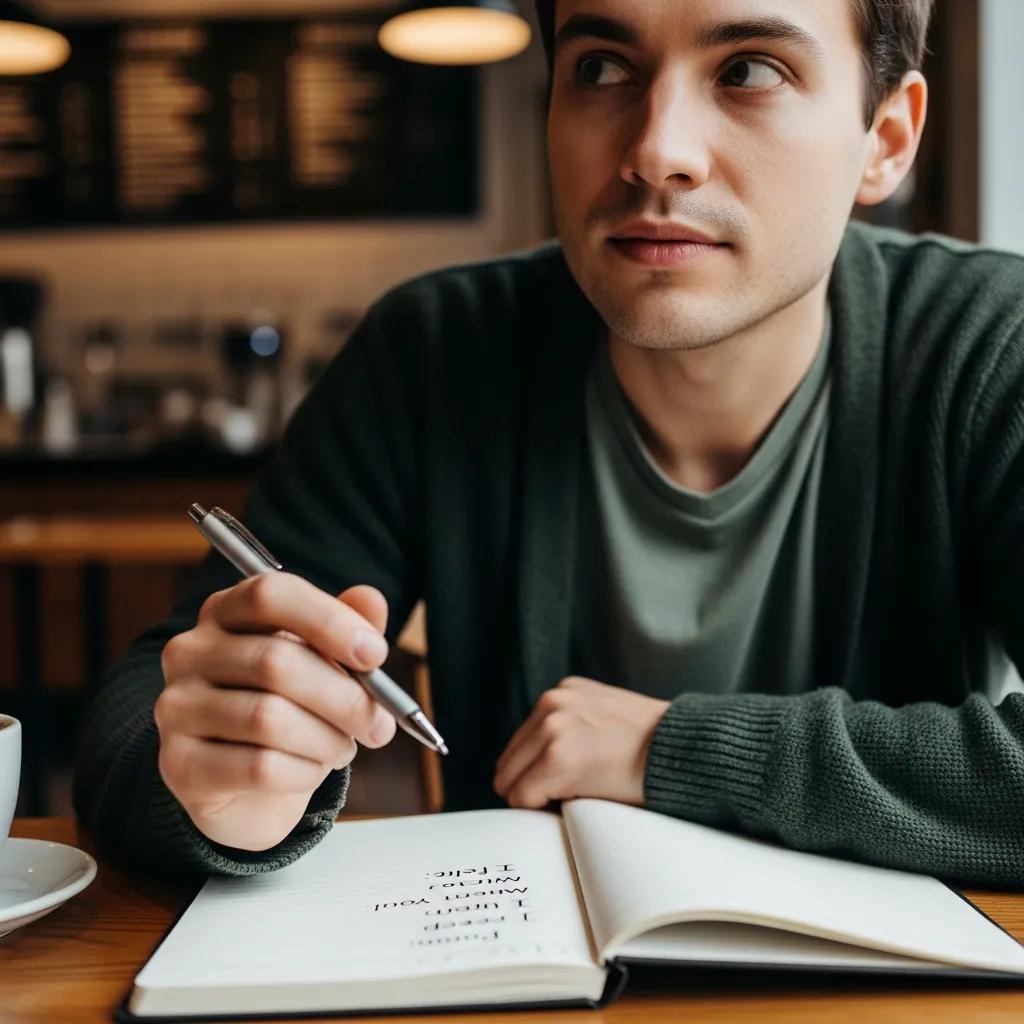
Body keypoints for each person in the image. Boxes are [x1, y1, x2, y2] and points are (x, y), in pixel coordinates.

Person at [75, 0, 1024, 883]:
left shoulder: (987, 347)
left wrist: (674, 751)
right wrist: (216, 782)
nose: (658, 152)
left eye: (750, 71)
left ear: (886, 139)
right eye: (604, 67)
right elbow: (136, 716)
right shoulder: (434, 353)